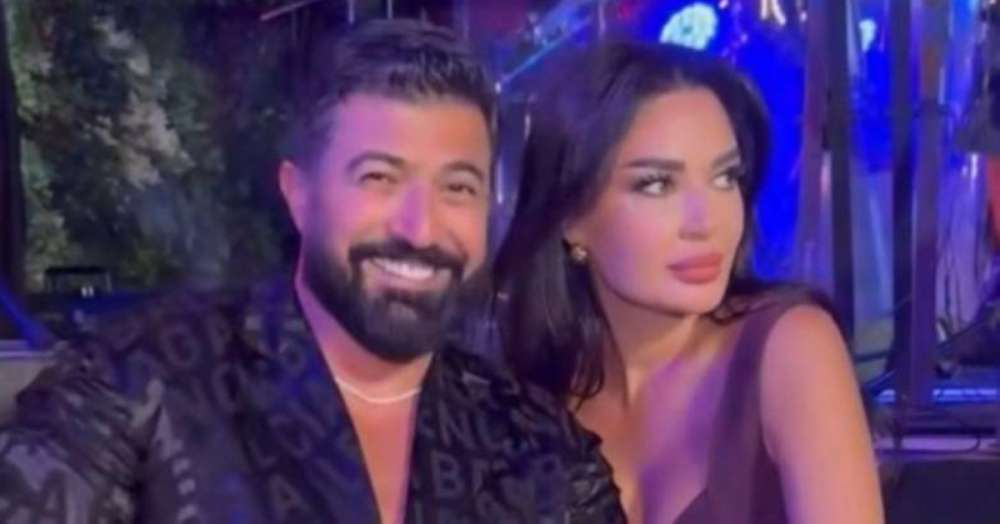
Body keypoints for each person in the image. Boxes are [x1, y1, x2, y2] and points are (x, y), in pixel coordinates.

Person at [0, 19, 624, 523]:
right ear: (299, 195)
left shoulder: (539, 446)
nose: (420, 228)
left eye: (457, 188)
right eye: (379, 177)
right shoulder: (134, 383)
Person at [494, 40, 883, 523]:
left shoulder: (789, 347)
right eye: (657, 184)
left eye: (725, 178)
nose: (706, 222)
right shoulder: (528, 400)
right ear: (571, 218)